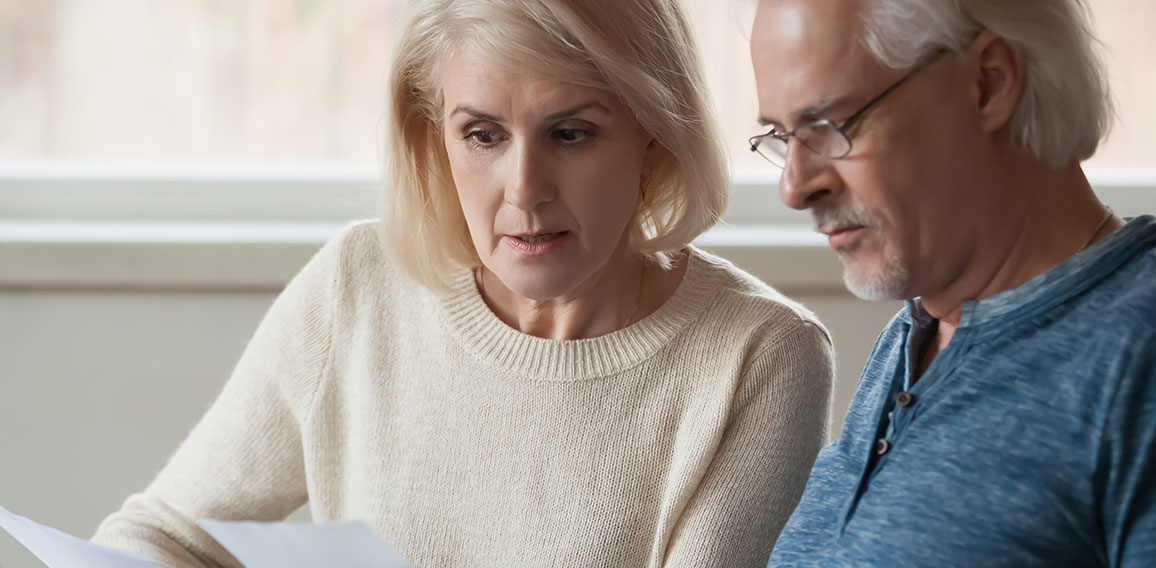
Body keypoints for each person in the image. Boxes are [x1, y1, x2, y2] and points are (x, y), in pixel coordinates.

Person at [91, 0, 835, 566]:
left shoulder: (763, 357)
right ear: (434, 136)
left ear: (653, 135)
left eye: (570, 134)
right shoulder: (358, 288)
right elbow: (156, 535)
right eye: (482, 136)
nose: (524, 190)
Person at [746, 0, 1156, 565]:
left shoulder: (1138, 355)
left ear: (989, 83)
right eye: (780, 134)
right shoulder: (914, 332)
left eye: (829, 125)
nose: (794, 188)